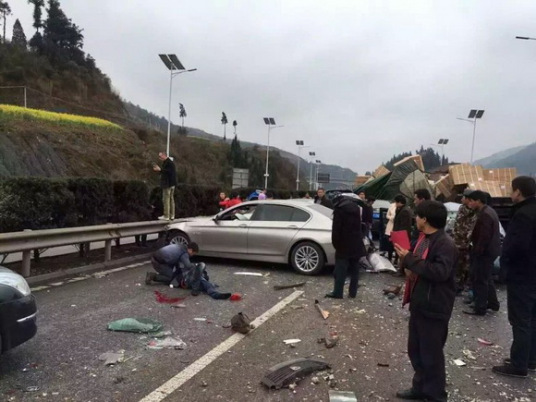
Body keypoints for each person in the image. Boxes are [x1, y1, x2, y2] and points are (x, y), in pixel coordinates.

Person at [394, 201, 458, 402]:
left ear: (425, 220)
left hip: (435, 306)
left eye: (418, 216)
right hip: (420, 303)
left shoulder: (445, 244)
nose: (415, 219)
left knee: (432, 356)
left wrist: (410, 259)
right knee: (417, 351)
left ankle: (436, 395)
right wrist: (406, 263)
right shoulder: (423, 239)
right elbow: (416, 265)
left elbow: (440, 272)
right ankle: (420, 388)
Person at [492, 176, 536, 378]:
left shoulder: (523, 214)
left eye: (512, 190)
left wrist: (505, 265)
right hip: (532, 273)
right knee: (532, 317)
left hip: (522, 274)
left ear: (518, 191)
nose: (511, 194)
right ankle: (530, 358)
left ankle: (519, 364)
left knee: (519, 319)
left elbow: (517, 246)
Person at [146, 242, 232, 299]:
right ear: (190, 250)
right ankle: (153, 276)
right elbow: (187, 265)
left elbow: (181, 265)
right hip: (159, 262)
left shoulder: (181, 248)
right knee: (171, 277)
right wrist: (194, 266)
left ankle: (213, 292)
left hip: (167, 264)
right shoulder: (184, 253)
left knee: (202, 280)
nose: (192, 255)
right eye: (193, 253)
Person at [463, 190, 501, 316]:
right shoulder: (489, 211)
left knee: (480, 279)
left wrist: (476, 252)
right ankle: (493, 303)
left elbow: (483, 237)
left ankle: (480, 308)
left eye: (472, 201)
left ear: (478, 201)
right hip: (490, 251)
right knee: (486, 278)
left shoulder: (484, 214)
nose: (470, 203)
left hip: (484, 253)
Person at [325, 194, 366, 299]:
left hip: (343, 245)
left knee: (340, 270)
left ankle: (338, 292)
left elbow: (336, 230)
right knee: (355, 270)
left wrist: (336, 245)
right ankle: (353, 293)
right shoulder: (356, 208)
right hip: (356, 243)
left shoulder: (339, 210)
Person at [452, 189, 477, 294]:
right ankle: (457, 286)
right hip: (457, 242)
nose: (461, 199)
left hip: (466, 243)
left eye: (463, 197)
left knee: (466, 267)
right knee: (457, 265)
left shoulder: (474, 211)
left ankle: (466, 287)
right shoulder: (461, 208)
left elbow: (471, 228)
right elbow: (457, 223)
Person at [153, 151, 177, 220]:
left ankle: (166, 215)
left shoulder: (168, 163)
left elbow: (167, 172)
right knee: (171, 199)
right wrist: (160, 170)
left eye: (160, 156)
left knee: (166, 199)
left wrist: (160, 169)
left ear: (164, 155)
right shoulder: (170, 162)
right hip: (172, 183)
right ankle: (172, 215)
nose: (159, 158)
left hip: (168, 184)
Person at [392, 195, 413, 273]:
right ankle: (401, 269)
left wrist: (398, 236)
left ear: (400, 202)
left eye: (396, 202)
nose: (395, 204)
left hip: (402, 235)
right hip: (401, 234)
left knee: (402, 254)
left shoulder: (405, 211)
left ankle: (401, 270)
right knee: (400, 253)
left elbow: (403, 225)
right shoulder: (402, 209)